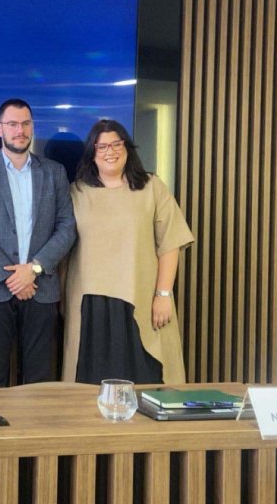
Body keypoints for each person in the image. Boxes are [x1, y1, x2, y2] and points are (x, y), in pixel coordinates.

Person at [62, 119, 194, 385]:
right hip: (91, 306)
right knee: (88, 389)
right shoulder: (76, 192)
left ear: (127, 148)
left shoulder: (151, 187)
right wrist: (62, 300)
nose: (109, 152)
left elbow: (171, 242)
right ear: (92, 153)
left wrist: (163, 295)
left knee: (146, 384)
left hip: (139, 300)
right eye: (101, 147)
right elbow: (63, 250)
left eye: (116, 144)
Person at [0, 98, 77, 387]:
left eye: (25, 124)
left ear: (32, 127)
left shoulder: (54, 172)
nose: (20, 130)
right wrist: (12, 276)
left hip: (41, 286)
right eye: (12, 124)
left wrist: (33, 269)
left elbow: (67, 226)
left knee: (39, 376)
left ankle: (33, 421)